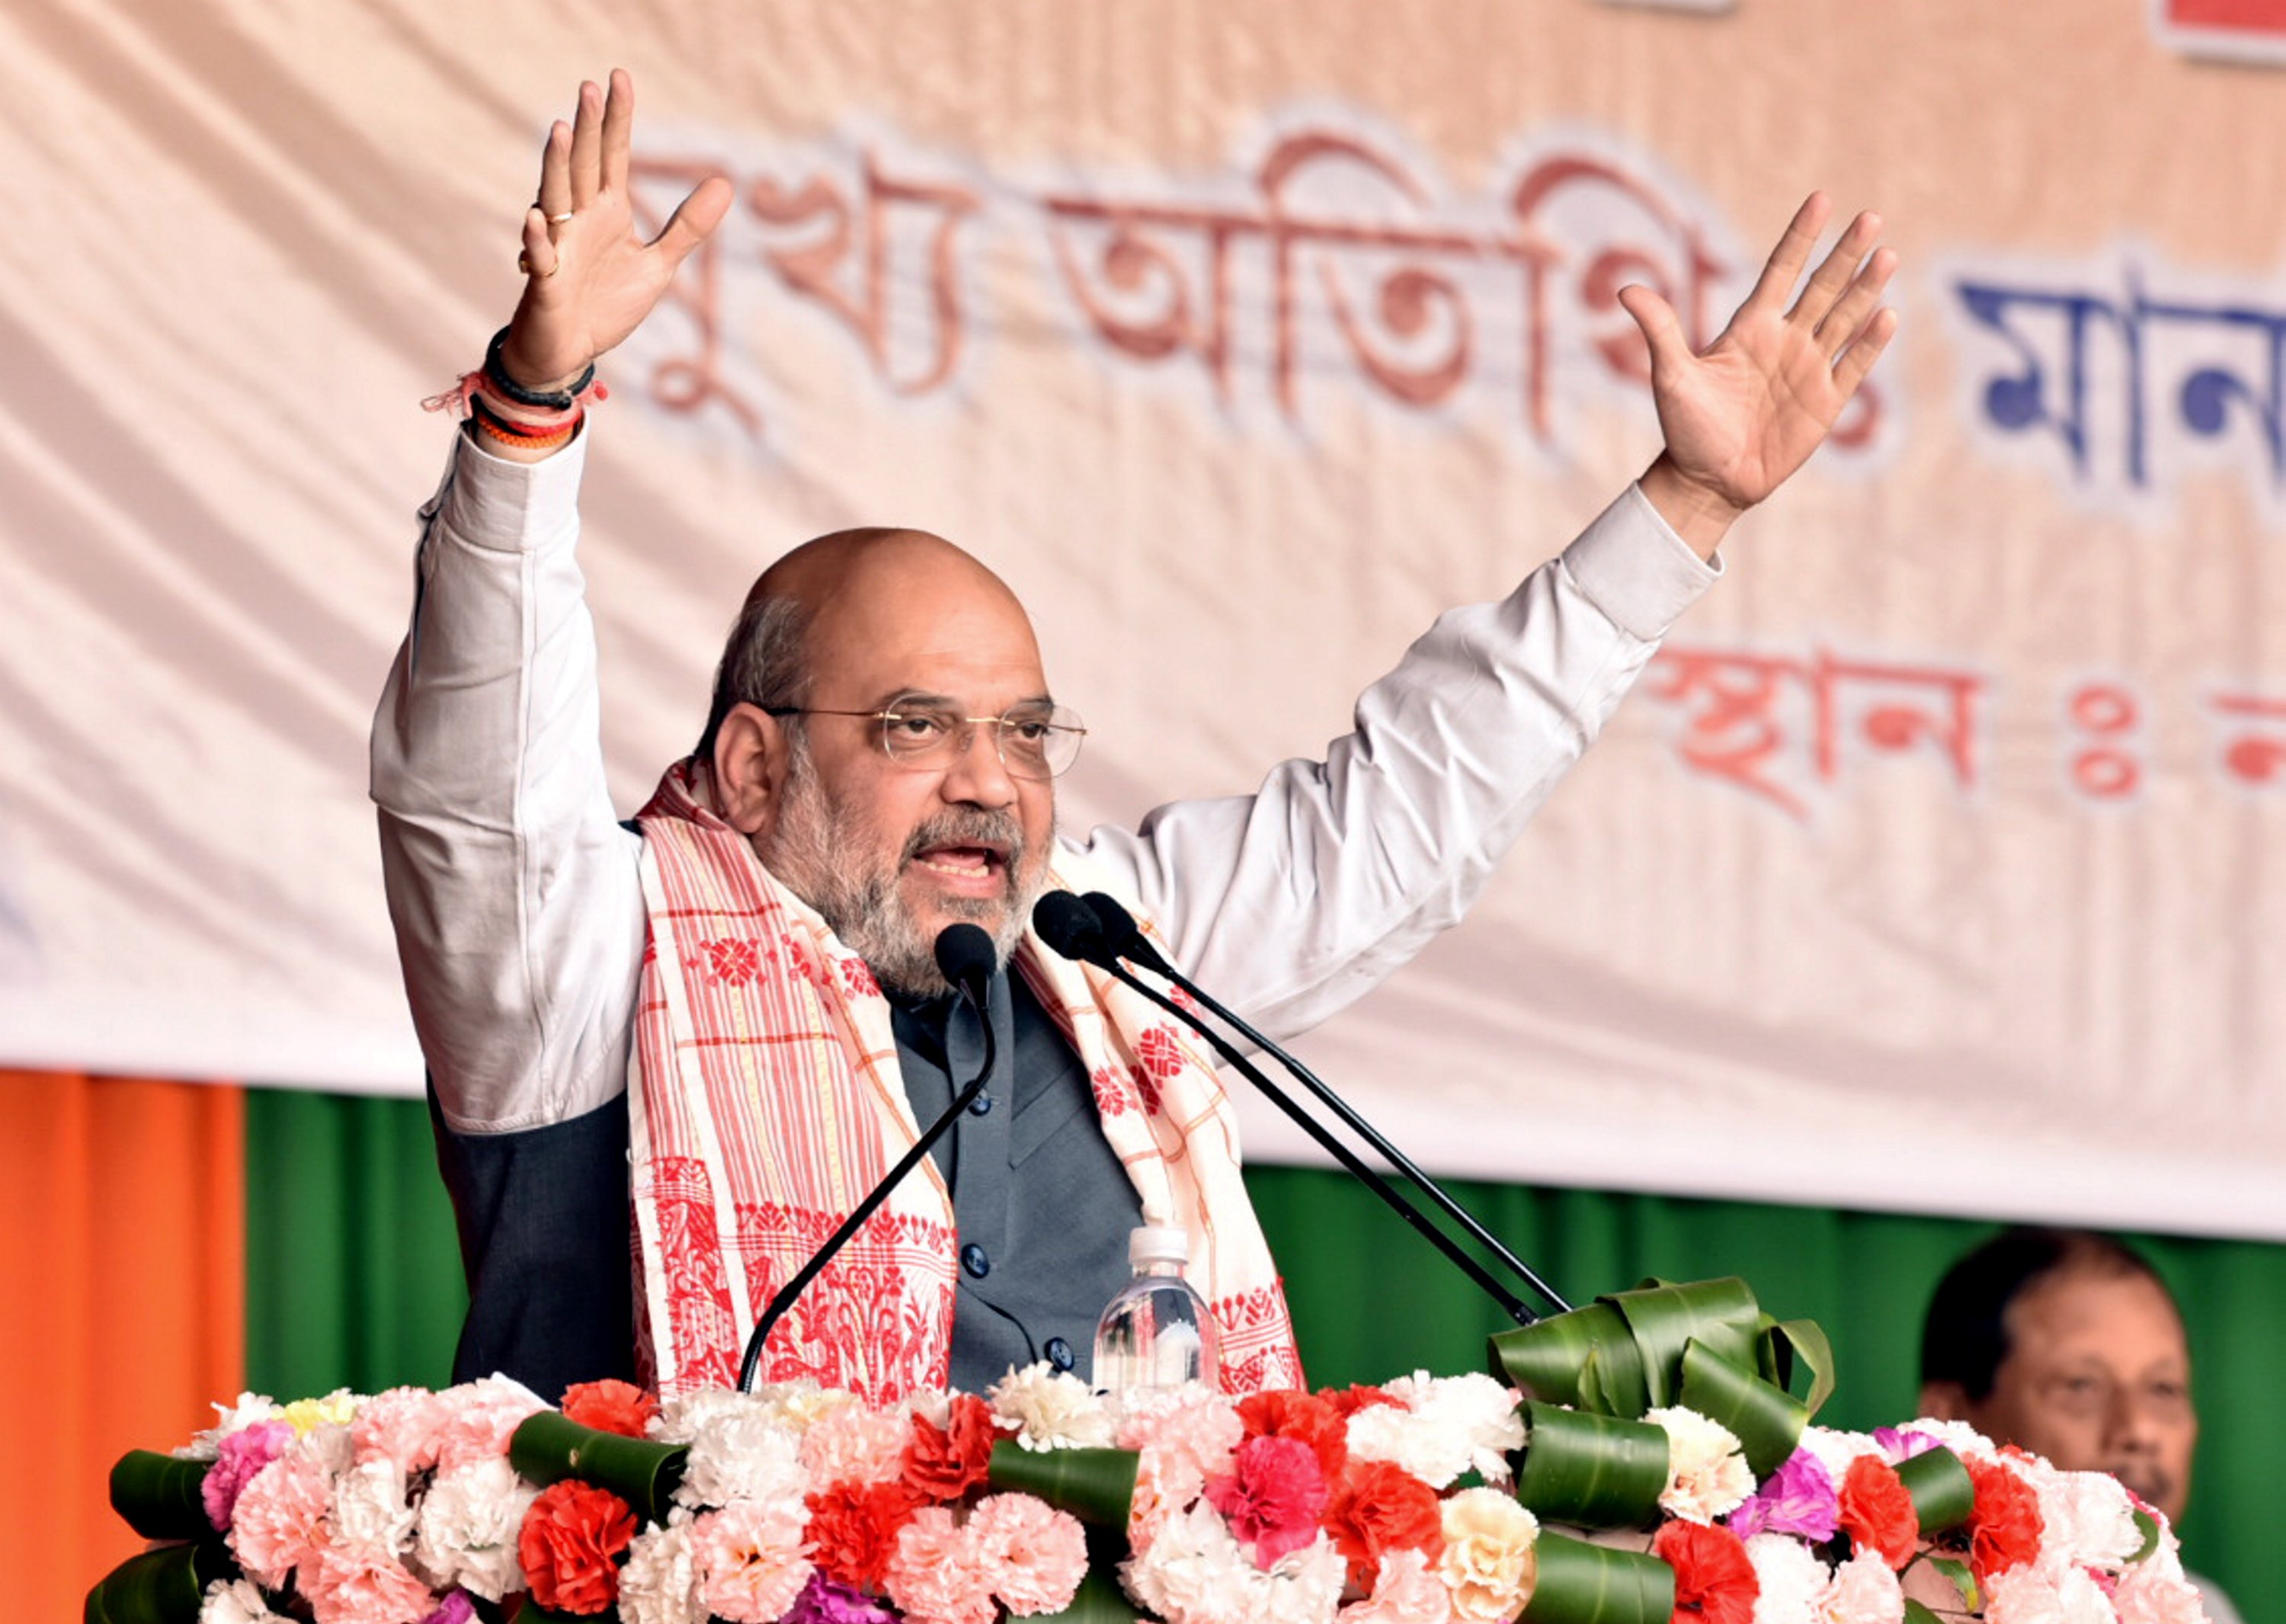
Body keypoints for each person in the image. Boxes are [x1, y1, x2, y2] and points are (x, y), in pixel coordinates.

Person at [373, 71, 1897, 1404]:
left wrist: (1686, 508)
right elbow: (478, 776)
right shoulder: (589, 958)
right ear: (756, 766)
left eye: (1026, 735)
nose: (991, 780)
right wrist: (530, 409)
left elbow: (1396, 822)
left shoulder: (1105, 957)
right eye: (919, 725)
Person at [1918, 1227, 2242, 1624]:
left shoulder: (2202, 1609)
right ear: (1950, 1419)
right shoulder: (1884, 1603)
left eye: (2163, 1388)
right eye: (2081, 1385)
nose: (2140, 1430)